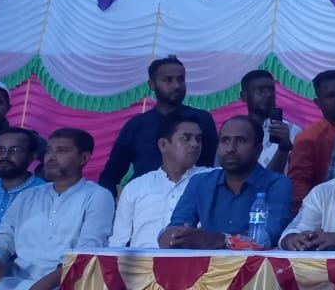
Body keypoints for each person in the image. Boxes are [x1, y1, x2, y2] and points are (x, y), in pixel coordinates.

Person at [0, 129, 113, 290]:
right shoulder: (28, 196)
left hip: (67, 282)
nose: (51, 157)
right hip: (18, 280)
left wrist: (42, 286)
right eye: (49, 151)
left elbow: (87, 250)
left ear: (83, 158)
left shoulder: (97, 195)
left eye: (61, 151)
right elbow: (4, 236)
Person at [161, 117, 292, 249]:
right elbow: (177, 225)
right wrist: (170, 236)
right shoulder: (200, 183)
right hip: (205, 262)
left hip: (257, 262)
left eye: (241, 141)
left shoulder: (277, 185)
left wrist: (219, 240)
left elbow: (268, 236)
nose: (230, 149)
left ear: (258, 149)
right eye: (225, 140)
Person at [98, 56, 217, 194]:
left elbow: (209, 168)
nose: (176, 86)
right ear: (152, 84)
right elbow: (110, 175)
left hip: (191, 197)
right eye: (168, 80)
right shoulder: (136, 126)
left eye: (181, 79)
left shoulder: (202, 120)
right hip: (144, 200)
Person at [109, 115, 211, 248]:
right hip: (142, 261)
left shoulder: (212, 179)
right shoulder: (135, 187)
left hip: (197, 260)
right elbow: (118, 242)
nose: (195, 144)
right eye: (186, 138)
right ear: (163, 145)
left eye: (198, 139)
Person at [288, 70, 335, 211]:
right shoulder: (308, 138)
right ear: (318, 103)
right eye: (330, 96)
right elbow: (298, 185)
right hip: (321, 211)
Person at [0, 129, 45, 254]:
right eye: (0, 150)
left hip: (23, 266)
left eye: (15, 150)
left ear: (32, 156)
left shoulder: (44, 194)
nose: (5, 156)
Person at [239, 70, 302, 174]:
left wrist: (284, 147)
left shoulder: (293, 131)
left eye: (271, 90)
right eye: (261, 90)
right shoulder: (235, 131)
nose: (269, 95)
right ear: (244, 96)